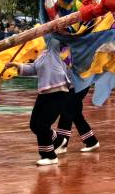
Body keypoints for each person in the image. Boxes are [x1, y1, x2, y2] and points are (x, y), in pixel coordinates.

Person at [15, 38, 76, 166]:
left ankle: (49, 156)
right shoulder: (43, 53)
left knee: (42, 125)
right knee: (34, 125)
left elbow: (52, 32)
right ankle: (58, 141)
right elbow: (33, 68)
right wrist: (18, 66)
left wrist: (47, 23)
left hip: (58, 91)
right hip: (43, 93)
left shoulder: (57, 48)